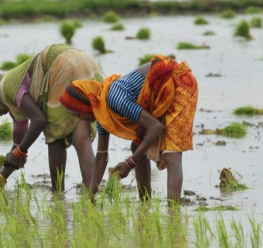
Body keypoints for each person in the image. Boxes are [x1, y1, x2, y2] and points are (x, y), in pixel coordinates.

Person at [59, 54, 198, 203]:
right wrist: (90, 197)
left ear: (84, 104)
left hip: (177, 83)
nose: (80, 118)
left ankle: (173, 215)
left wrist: (130, 163)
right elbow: (101, 156)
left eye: (78, 113)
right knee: (137, 146)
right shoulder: (102, 113)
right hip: (157, 96)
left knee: (171, 156)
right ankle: (145, 203)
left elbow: (155, 127)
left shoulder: (114, 98)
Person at [0, 44, 103, 191]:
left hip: (62, 65)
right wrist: (2, 178)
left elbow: (39, 120)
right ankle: (92, 196)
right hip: (86, 62)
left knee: (54, 135)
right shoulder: (16, 107)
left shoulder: (7, 87)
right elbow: (19, 145)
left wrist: (19, 151)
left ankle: (57, 194)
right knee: (82, 137)